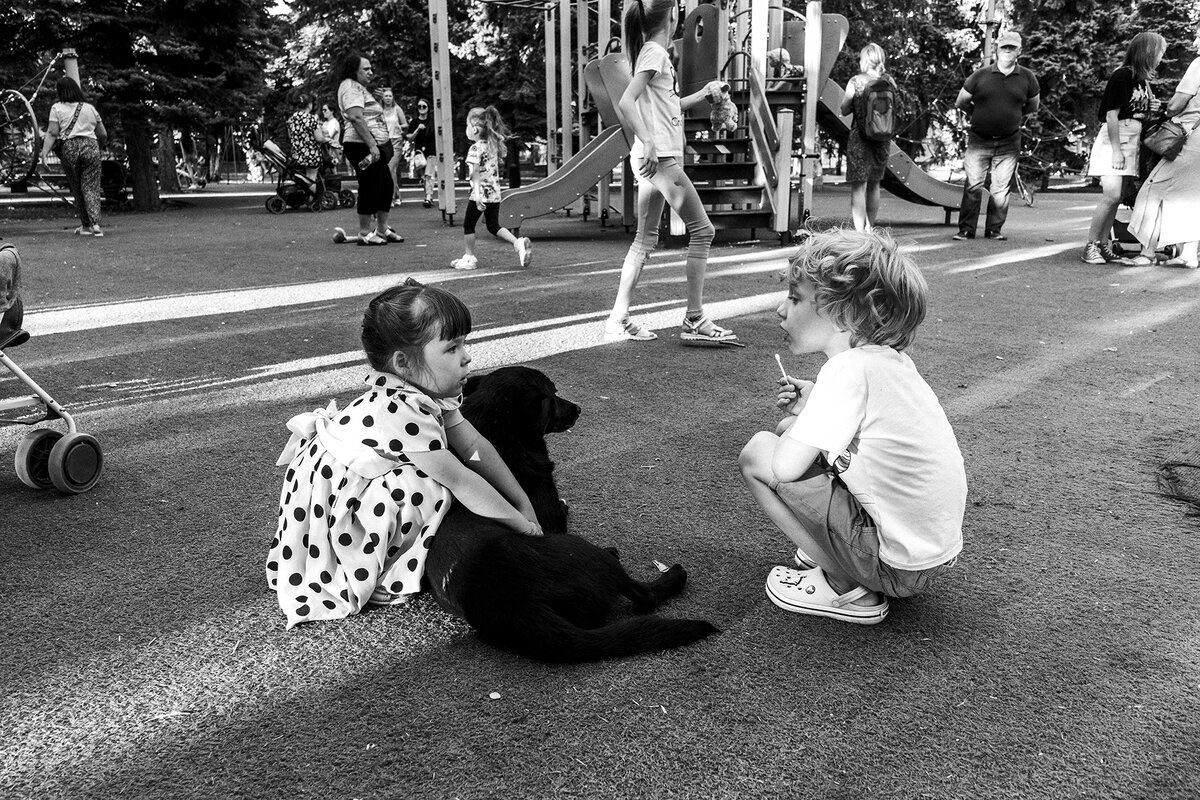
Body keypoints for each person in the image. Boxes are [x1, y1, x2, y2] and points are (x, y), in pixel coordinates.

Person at [267, 278, 544, 629]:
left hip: (350, 471)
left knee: (441, 470)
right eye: (452, 348)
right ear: (404, 364)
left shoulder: (428, 388)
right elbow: (461, 480)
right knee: (428, 484)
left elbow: (474, 448)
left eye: (464, 343)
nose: (467, 356)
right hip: (334, 494)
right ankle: (375, 569)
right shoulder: (399, 409)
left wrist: (522, 502)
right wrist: (523, 526)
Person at [738, 228, 966, 625]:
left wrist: (804, 419)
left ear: (839, 314)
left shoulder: (846, 371)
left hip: (894, 564)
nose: (780, 309)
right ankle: (839, 552)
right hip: (925, 554)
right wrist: (809, 410)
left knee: (760, 451)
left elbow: (784, 469)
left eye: (794, 299)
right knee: (783, 428)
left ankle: (846, 586)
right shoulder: (887, 363)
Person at [603, 0, 735, 345]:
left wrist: (704, 95)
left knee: (644, 240)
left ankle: (618, 318)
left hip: (655, 156)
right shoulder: (655, 53)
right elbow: (625, 102)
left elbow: (668, 105)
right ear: (673, 17)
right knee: (703, 231)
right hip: (659, 158)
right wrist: (647, 141)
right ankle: (694, 318)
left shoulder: (652, 54)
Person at [1081, 32, 1166, 266]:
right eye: (1158, 52)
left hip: (1132, 139)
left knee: (1117, 197)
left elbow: (1137, 111)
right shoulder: (1122, 75)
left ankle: (1103, 246)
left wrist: (1153, 107)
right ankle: (1090, 245)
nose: (1160, 57)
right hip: (1116, 139)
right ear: (1146, 51)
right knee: (1110, 195)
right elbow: (1111, 115)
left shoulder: (1141, 80)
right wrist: (1116, 150)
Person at [953, 31, 1040, 242]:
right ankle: (966, 230)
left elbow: (1032, 106)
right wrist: (978, 114)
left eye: (1012, 47)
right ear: (997, 49)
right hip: (979, 139)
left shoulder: (1027, 77)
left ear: (1020, 50)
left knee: (1000, 189)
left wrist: (1011, 115)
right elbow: (961, 101)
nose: (1008, 51)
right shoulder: (980, 75)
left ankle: (994, 229)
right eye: (1004, 47)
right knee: (973, 186)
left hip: (1009, 141)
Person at [1127, 29, 1200, 269]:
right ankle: (1189, 253)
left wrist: (1164, 109)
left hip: (1189, 137)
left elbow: (1177, 104)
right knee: (1192, 195)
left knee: (1153, 189)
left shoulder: (1199, 64)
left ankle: (1147, 253)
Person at [450, 107, 532, 270]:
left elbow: (475, 174)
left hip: (480, 194)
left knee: (468, 225)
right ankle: (518, 243)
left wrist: (478, 196)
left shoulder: (475, 148)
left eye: (467, 125)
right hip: (494, 193)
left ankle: (469, 258)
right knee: (493, 225)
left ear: (473, 128)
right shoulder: (492, 145)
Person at [335, 53, 402, 246]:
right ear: (353, 70)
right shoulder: (350, 87)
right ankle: (365, 232)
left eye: (371, 68)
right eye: (366, 69)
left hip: (372, 144)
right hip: (360, 145)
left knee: (386, 185)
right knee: (370, 185)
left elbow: (368, 114)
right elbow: (356, 117)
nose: (371, 72)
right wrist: (372, 145)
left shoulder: (359, 88)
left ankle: (381, 229)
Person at [40, 77, 108, 237]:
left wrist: (44, 153)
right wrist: (99, 146)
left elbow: (52, 133)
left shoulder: (57, 108)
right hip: (90, 146)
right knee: (91, 186)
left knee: (77, 188)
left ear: (59, 91)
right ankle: (96, 224)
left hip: (70, 147)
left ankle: (85, 225)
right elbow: (102, 133)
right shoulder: (90, 108)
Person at [839, 43, 894, 232]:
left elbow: (844, 109)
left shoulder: (856, 81)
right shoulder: (889, 82)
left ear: (864, 60)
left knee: (859, 186)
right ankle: (871, 229)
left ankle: (859, 232)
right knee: (874, 184)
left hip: (859, 138)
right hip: (882, 139)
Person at [286, 91, 327, 181]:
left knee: (302, 177)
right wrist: (327, 140)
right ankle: (311, 195)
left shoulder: (291, 120)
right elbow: (319, 138)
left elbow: (290, 137)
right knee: (311, 178)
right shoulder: (312, 118)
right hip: (311, 155)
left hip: (297, 155)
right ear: (309, 105)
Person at [378, 87, 408, 207]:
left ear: (393, 97)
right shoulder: (380, 111)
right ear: (382, 98)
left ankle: (389, 198)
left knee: (389, 169)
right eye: (386, 96)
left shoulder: (397, 109)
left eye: (390, 96)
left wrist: (401, 128)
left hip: (396, 142)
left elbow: (405, 124)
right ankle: (397, 196)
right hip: (384, 142)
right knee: (391, 171)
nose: (388, 98)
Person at [406, 97, 438, 207]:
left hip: (431, 151)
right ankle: (428, 195)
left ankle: (428, 197)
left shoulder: (433, 122)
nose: (422, 108)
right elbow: (409, 138)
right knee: (424, 176)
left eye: (424, 106)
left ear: (428, 108)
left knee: (429, 174)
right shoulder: (414, 122)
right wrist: (418, 129)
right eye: (419, 106)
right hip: (420, 153)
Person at [319, 102, 344, 172]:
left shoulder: (334, 123)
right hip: (325, 153)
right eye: (322, 110)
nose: (323, 112)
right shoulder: (325, 123)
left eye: (325, 110)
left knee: (331, 175)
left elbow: (329, 138)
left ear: (332, 111)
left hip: (331, 154)